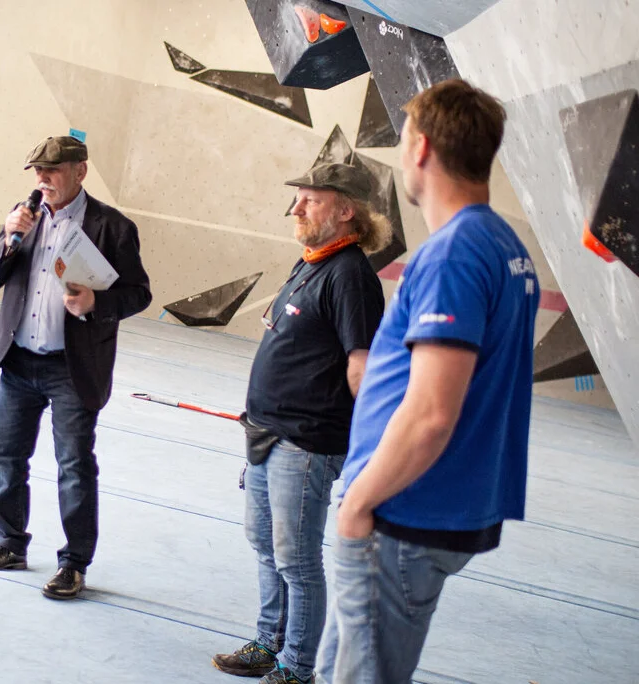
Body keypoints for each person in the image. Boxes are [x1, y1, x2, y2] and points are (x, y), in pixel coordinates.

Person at [315, 79, 539, 683]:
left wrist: (360, 499)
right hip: (432, 508)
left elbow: (433, 412)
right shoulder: (502, 244)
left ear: (421, 148)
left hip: (405, 513)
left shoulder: (455, 254)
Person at [212, 163, 389, 683]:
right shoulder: (311, 262)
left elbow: (362, 368)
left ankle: (297, 665)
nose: (297, 208)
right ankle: (270, 644)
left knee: (296, 559)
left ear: (344, 210)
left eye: (309, 200)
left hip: (306, 444)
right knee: (265, 544)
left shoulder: (351, 276)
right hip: (266, 434)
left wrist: (369, 452)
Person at [0, 136, 151, 600]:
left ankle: (73, 564)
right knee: (8, 457)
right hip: (19, 360)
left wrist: (97, 301)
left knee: (74, 466)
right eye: (37, 171)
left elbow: (138, 293)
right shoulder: (23, 217)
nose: (42, 179)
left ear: (80, 172)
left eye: (52, 170)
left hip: (72, 368)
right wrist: (9, 240)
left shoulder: (112, 227)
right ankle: (9, 543)